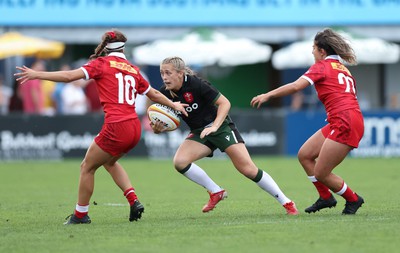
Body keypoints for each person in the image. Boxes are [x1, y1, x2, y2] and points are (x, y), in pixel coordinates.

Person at [15, 30, 188, 224]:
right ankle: (133, 200)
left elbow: (69, 76)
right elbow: (154, 93)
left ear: (105, 47)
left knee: (87, 167)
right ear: (123, 47)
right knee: (109, 162)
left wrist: (36, 74)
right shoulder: (132, 69)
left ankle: (81, 215)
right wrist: (174, 105)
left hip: (116, 125)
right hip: (134, 127)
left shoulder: (101, 64)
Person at [151, 56, 298, 215]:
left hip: (221, 127)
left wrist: (215, 126)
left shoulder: (196, 84)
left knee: (248, 170)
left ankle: (287, 202)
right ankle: (216, 192)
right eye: (161, 73)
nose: (164, 77)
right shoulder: (165, 94)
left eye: (168, 73)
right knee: (180, 162)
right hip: (200, 132)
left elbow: (225, 103)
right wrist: (159, 129)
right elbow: (171, 121)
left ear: (180, 73)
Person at [251, 28, 365, 215]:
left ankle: (353, 199)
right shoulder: (342, 68)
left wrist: (267, 95)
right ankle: (326, 197)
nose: (312, 52)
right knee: (305, 155)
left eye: (314, 48)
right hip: (345, 119)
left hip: (345, 120)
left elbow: (296, 86)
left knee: (321, 173)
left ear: (322, 51)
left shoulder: (322, 66)